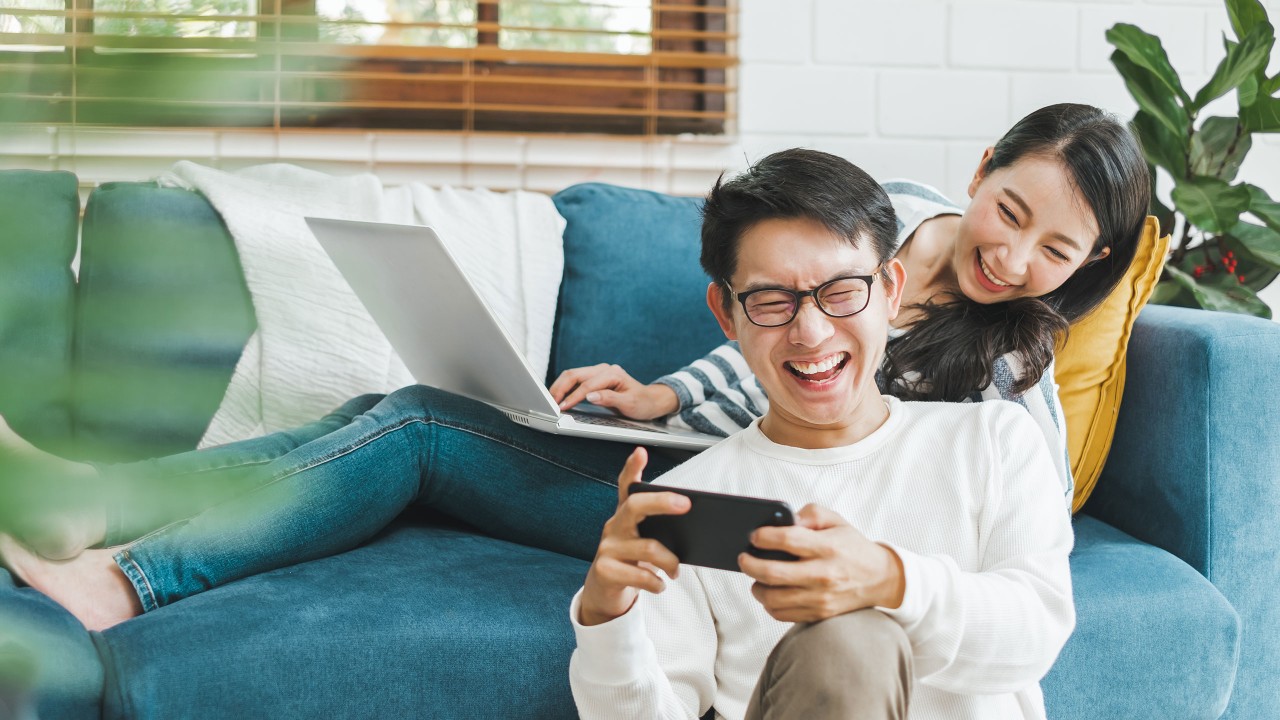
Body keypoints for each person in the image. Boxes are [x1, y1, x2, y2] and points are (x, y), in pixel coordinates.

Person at [0, 103, 1149, 633]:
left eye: (1057, 252)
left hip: (758, 518)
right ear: (982, 161)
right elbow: (762, 342)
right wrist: (659, 397)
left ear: (1087, 264)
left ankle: (120, 579)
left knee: (416, 430)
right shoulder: (879, 222)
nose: (1014, 257)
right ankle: (90, 502)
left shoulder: (1012, 362)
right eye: (1009, 212)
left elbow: (1021, 517)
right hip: (715, 449)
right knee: (383, 410)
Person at [570, 146, 1073, 720]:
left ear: (890, 291)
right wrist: (608, 618)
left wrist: (889, 581)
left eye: (841, 292)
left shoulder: (996, 440)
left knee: (856, 634)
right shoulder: (691, 501)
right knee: (847, 644)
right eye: (770, 300)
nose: (810, 333)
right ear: (726, 315)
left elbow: (1034, 634)